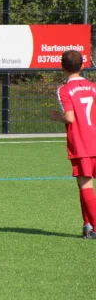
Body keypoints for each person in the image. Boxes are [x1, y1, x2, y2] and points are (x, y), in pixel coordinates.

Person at [49, 50, 96, 238]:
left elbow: (69, 118)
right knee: (83, 185)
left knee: (85, 185)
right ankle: (87, 226)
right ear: (83, 66)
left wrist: (55, 117)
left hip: (82, 143)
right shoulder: (93, 86)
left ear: (62, 68)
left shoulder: (64, 90)